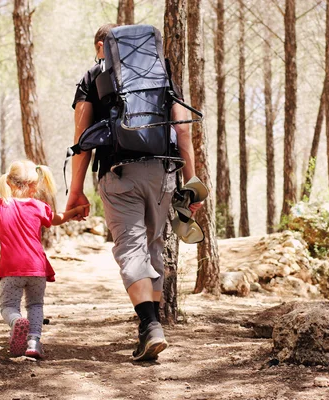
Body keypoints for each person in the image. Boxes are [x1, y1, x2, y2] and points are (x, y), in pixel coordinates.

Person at [67, 24, 202, 361]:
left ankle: (150, 326)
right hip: (163, 173)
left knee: (130, 247)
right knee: (153, 247)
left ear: (102, 45)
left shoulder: (93, 77)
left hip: (119, 172)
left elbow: (81, 142)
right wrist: (191, 184)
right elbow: (183, 133)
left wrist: (75, 193)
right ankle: (151, 330)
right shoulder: (160, 73)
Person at [0, 160, 89, 359]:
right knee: (35, 305)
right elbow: (57, 219)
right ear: (34, 185)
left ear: (10, 183)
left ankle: (16, 322)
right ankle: (33, 342)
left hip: (11, 269)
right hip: (36, 269)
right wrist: (74, 212)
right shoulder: (39, 206)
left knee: (8, 307)